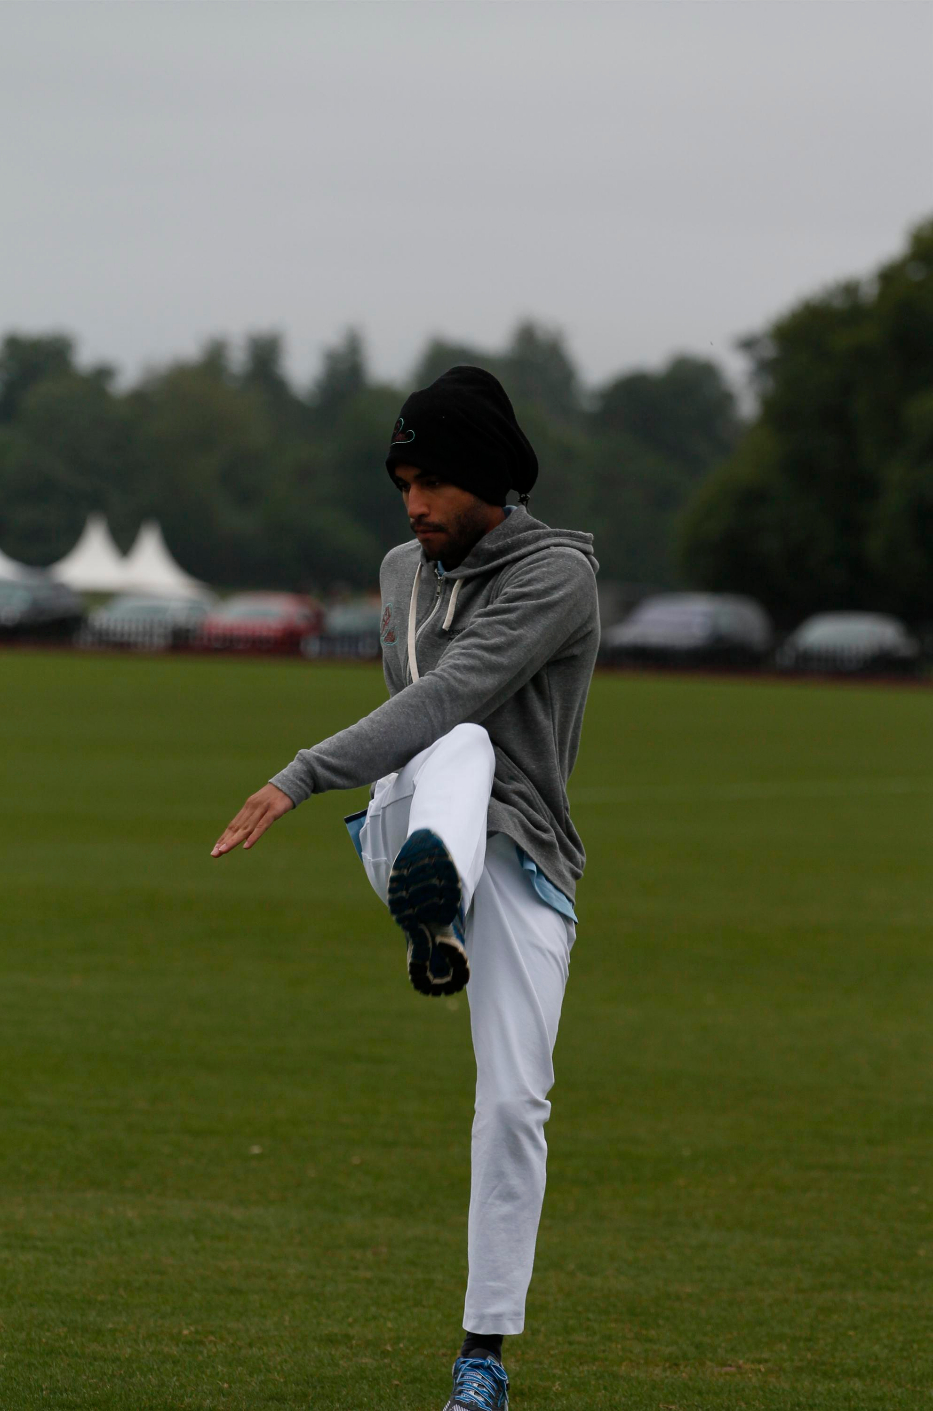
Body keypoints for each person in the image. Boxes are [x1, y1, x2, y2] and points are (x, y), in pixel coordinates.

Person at [212, 365, 599, 1411]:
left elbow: (452, 688)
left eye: (429, 480)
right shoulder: (399, 570)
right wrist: (326, 783)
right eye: (401, 483)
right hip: (409, 820)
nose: (413, 503)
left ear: (484, 480)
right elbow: (432, 721)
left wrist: (295, 772)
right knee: (453, 741)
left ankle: (481, 1357)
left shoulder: (557, 576)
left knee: (517, 1101)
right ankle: (430, 910)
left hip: (522, 856)